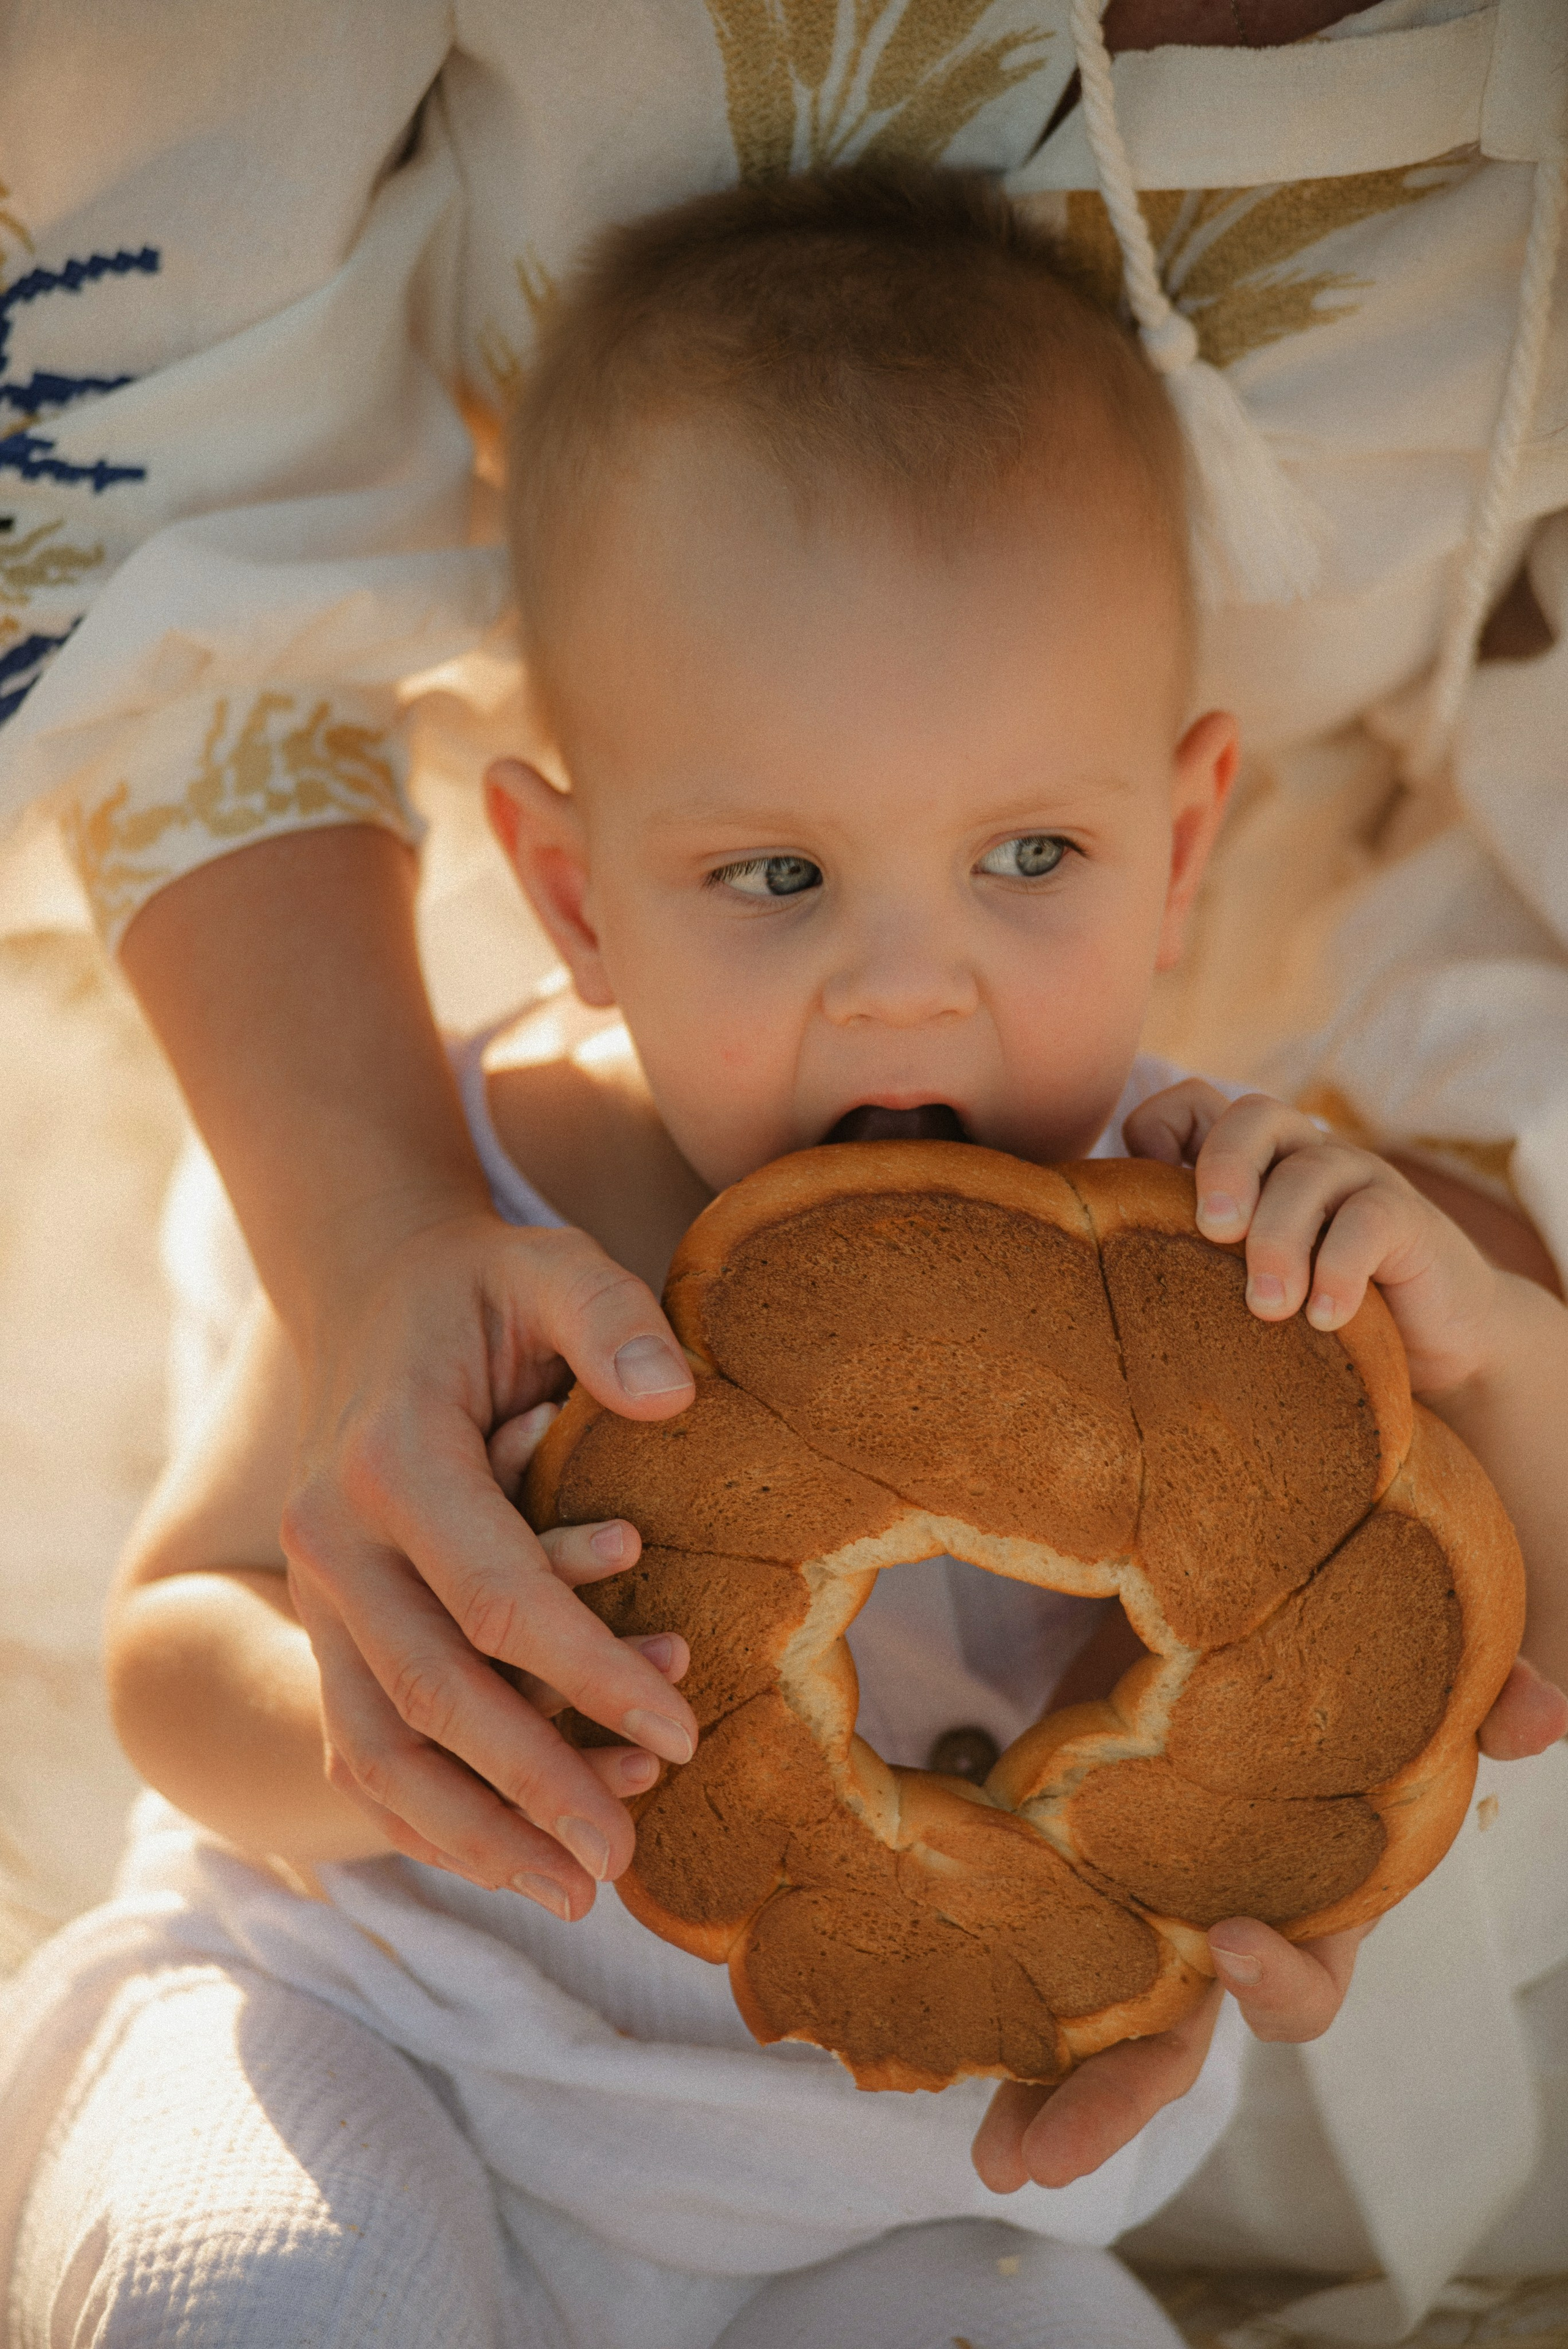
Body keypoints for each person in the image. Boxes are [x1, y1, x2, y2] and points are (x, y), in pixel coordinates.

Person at [2, 166, 1564, 2349]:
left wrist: (1483, 1337)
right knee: (258, 2286)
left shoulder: (1224, 1245)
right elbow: (171, 1639)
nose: (906, 989)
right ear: (568, 886)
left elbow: (1514, 1607)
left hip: (879, 2173)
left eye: (1034, 853)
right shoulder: (464, 1199)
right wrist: (384, 1736)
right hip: (384, 2030)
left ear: (1185, 838)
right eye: (773, 872)